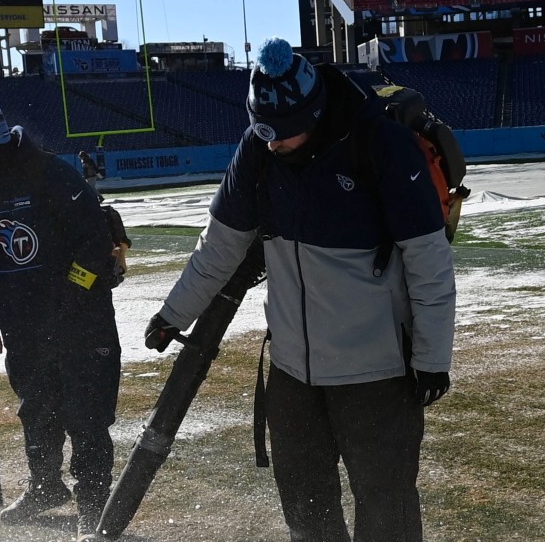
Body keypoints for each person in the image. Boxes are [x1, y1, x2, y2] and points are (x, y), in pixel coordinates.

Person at [144, 38, 457, 542]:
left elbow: (429, 260)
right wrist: (173, 315)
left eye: (282, 135)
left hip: (375, 373)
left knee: (386, 509)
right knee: (306, 510)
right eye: (262, 133)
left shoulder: (379, 145)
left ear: (312, 114)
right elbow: (219, 246)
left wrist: (432, 358)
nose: (272, 145)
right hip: (293, 372)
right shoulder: (259, 149)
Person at [0, 78, 121, 541]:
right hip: (24, 330)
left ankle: (93, 509)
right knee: (37, 413)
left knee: (86, 419)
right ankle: (46, 488)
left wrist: (68, 297)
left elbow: (96, 246)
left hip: (82, 325)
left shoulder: (51, 175)